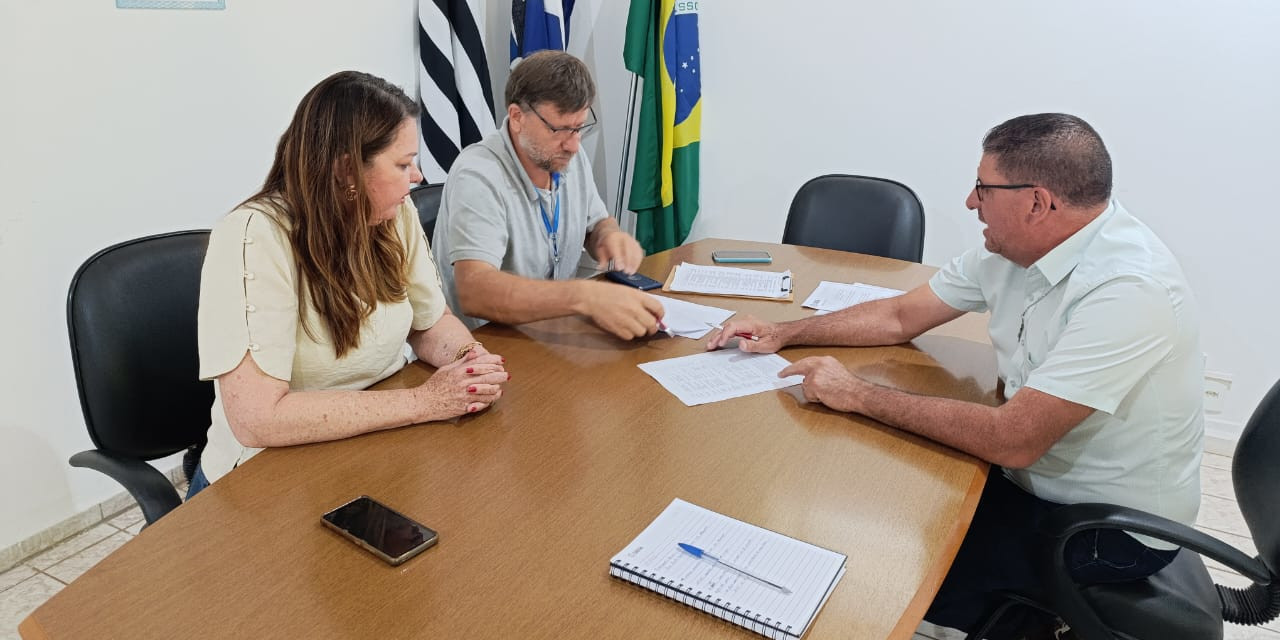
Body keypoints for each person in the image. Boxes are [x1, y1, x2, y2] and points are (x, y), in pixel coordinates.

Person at [708, 113, 1203, 639]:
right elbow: (900, 317)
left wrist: (854, 393)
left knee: (872, 569)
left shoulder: (1128, 290)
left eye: (983, 188)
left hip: (1100, 526)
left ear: (1036, 202)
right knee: (877, 487)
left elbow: (1014, 440)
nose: (971, 202)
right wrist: (786, 333)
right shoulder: (1015, 249)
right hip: (1033, 482)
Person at [189, 71, 509, 498]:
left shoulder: (394, 214)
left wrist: (471, 361)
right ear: (347, 171)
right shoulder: (254, 236)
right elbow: (256, 419)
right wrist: (423, 402)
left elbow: (431, 324)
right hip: (264, 481)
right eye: (402, 164)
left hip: (372, 446)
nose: (416, 177)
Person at [431, 50, 664, 340]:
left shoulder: (566, 157)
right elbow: (475, 291)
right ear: (517, 117)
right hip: (484, 347)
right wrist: (583, 296)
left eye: (579, 128)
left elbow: (596, 226)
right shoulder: (478, 173)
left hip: (549, 335)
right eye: (561, 129)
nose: (574, 145)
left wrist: (609, 237)